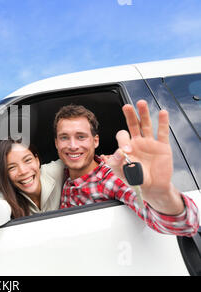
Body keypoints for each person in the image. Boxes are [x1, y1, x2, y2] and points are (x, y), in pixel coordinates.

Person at [54, 101, 199, 236]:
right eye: (64, 137)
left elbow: (185, 225)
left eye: (81, 137)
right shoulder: (62, 175)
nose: (72, 146)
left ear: (95, 141)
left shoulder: (112, 178)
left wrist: (162, 195)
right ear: (56, 143)